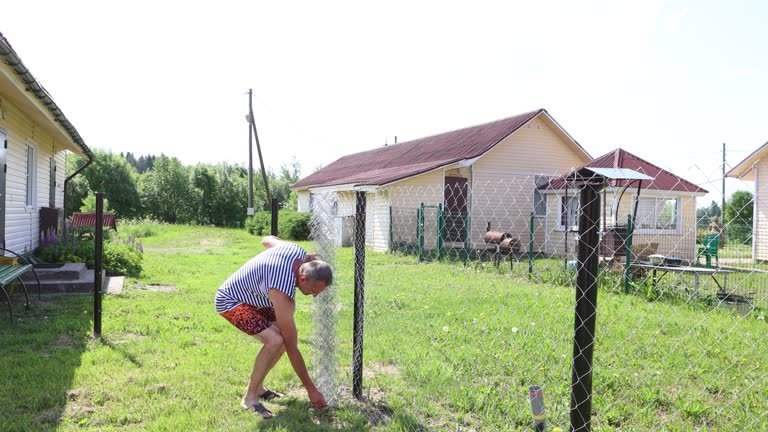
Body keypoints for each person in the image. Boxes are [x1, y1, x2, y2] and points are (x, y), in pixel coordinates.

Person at [214, 235, 332, 419]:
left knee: (282, 341)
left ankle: (259, 388)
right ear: (302, 278)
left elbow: (267, 239)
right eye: (312, 291)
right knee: (276, 341)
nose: (314, 296)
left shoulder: (297, 251)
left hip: (258, 299)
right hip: (231, 300)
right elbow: (293, 348)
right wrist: (312, 389)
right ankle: (249, 398)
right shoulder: (282, 292)